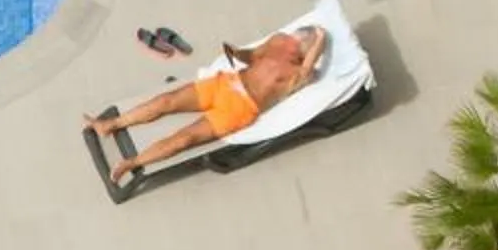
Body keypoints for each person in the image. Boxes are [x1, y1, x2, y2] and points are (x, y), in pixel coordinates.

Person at [84, 25, 329, 186]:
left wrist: (321, 37)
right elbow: (252, 56)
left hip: (240, 108)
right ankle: (109, 124)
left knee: (184, 139)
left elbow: (309, 66)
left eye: (301, 42)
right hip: (226, 82)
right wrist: (236, 51)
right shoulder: (279, 41)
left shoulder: (299, 74)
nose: (293, 40)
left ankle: (132, 164)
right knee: (166, 101)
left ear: (306, 50)